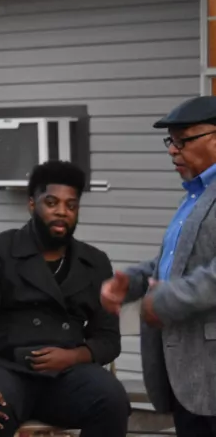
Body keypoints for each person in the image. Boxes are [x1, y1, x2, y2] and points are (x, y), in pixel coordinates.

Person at [0, 160, 128, 437]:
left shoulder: (94, 263)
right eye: (51, 203)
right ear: (31, 204)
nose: (61, 211)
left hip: (68, 375)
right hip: (9, 371)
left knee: (112, 400)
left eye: (71, 205)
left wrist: (73, 356)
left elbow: (108, 339)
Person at [101, 96, 216, 436]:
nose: (172, 150)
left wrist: (163, 300)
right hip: (189, 374)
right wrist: (134, 280)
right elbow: (180, 260)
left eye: (183, 140)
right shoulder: (195, 195)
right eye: (170, 141)